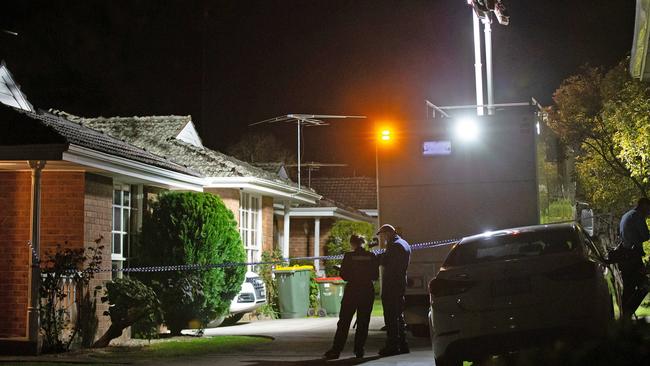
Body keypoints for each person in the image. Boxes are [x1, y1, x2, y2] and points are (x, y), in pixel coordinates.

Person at [324, 234, 379, 360]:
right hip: (366, 290)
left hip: (352, 290)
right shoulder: (371, 256)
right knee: (363, 322)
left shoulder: (349, 256)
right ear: (363, 243)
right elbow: (375, 275)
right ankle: (359, 350)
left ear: (352, 243)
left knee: (344, 321)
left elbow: (344, 274)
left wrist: (353, 276)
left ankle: (336, 350)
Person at [376, 224, 411, 357]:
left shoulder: (394, 245)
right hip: (400, 283)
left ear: (388, 233)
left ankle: (392, 346)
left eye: (383, 235)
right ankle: (403, 344)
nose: (383, 238)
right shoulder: (405, 243)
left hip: (392, 284)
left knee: (390, 317)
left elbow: (385, 261)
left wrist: (378, 257)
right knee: (399, 316)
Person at [619, 197, 650, 318]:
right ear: (643, 205)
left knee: (628, 287)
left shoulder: (627, 215)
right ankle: (628, 313)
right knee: (644, 284)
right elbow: (646, 236)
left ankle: (625, 314)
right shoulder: (637, 216)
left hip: (625, 256)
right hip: (633, 257)